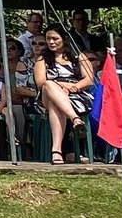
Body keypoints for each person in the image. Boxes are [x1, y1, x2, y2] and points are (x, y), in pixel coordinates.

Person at [32, 26, 94, 165]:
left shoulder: (79, 56)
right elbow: (41, 82)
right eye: (48, 39)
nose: (51, 42)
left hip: (77, 96)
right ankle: (75, 119)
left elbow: (89, 80)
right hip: (47, 94)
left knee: (55, 105)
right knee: (49, 84)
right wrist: (62, 86)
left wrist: (72, 88)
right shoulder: (43, 58)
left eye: (55, 38)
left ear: (64, 39)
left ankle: (57, 151)